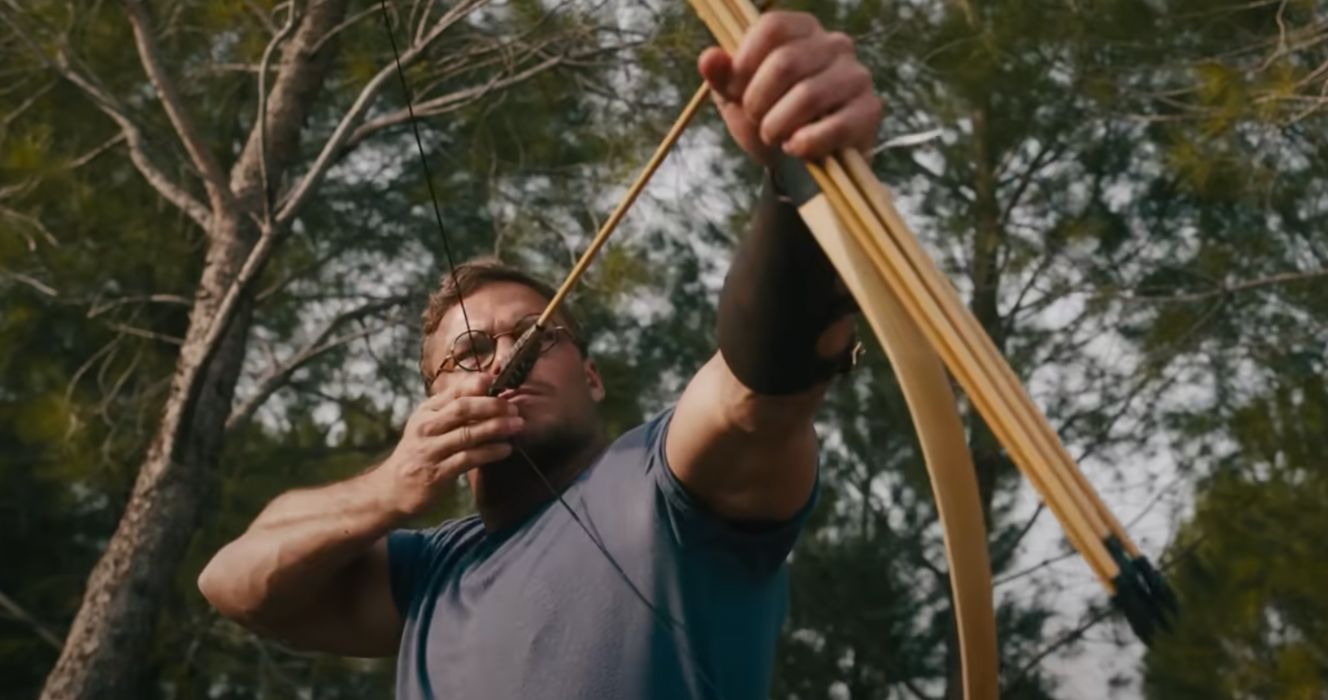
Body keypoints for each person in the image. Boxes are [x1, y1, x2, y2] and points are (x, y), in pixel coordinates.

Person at [199, 10, 882, 698]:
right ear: (435, 402)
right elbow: (232, 582)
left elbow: (757, 388)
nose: (503, 356)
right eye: (469, 351)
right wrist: (388, 489)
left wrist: (800, 179)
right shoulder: (428, 571)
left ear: (590, 375)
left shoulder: (665, 486)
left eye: (535, 334)